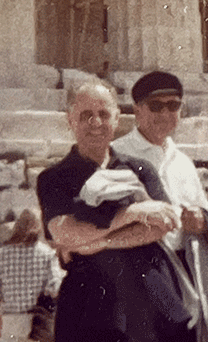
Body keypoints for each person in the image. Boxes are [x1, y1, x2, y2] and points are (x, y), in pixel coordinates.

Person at [36, 81, 195, 342]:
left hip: (150, 299)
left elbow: (162, 224)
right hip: (90, 305)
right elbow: (65, 232)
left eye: (104, 114)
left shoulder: (141, 169)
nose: (96, 123)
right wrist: (132, 214)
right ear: (70, 120)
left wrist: (95, 241)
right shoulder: (54, 177)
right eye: (86, 115)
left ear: (117, 118)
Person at [111, 71, 208, 342]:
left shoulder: (183, 161)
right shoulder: (116, 154)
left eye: (173, 106)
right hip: (138, 271)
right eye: (155, 106)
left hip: (186, 270)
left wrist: (202, 221)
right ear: (137, 110)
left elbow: (203, 212)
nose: (165, 113)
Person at [0, 209, 61, 342]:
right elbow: (54, 289)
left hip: (9, 322)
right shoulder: (47, 254)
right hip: (36, 322)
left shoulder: (2, 255)